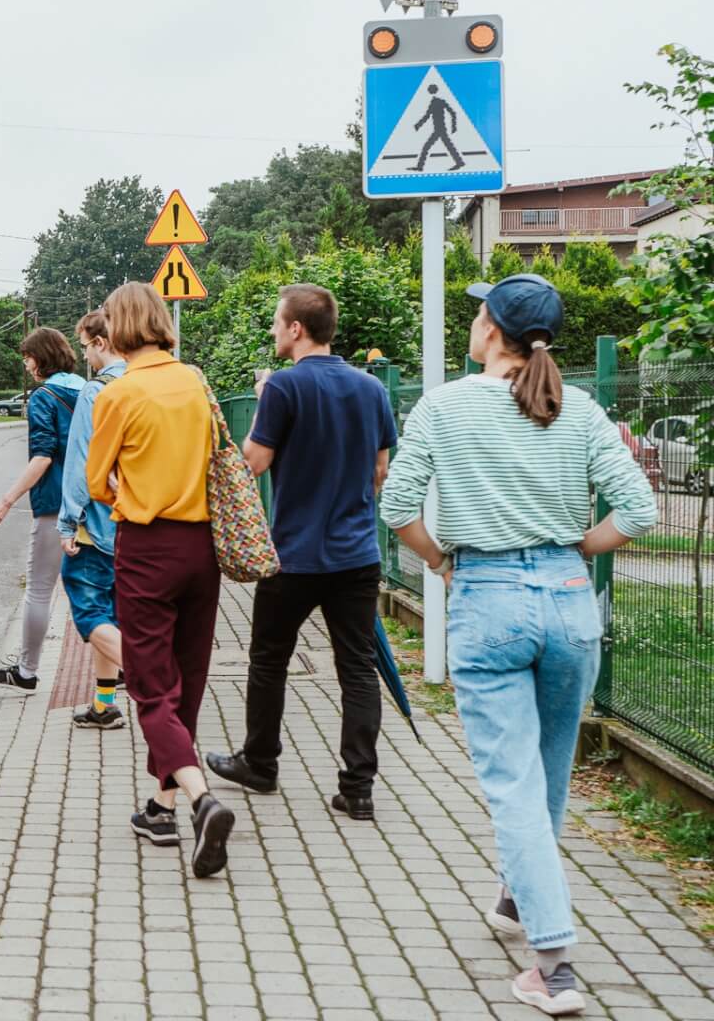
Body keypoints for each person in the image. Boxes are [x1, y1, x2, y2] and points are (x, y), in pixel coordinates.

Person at [382, 274, 654, 1017]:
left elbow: (397, 505)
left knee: (513, 790)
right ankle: (515, 897)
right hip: (570, 604)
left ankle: (553, 967)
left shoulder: (444, 405)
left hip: (488, 601)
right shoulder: (580, 408)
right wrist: (575, 549)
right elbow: (640, 509)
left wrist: (440, 563)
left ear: (492, 331)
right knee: (547, 776)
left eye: (477, 312)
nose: (472, 320)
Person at [206, 284, 398, 820]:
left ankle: (260, 765)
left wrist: (265, 401)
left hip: (292, 555)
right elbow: (380, 470)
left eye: (276, 322)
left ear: (296, 329)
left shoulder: (285, 390)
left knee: (269, 661)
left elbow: (254, 463)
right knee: (357, 669)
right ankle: (358, 788)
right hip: (356, 555)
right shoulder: (371, 389)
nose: (273, 331)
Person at [85, 282, 235, 879]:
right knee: (186, 682)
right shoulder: (195, 381)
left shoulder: (119, 394)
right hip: (203, 546)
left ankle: (201, 799)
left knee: (150, 686)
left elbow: (98, 481)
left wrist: (128, 486)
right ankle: (161, 807)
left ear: (118, 328)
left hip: (147, 548)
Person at [0, 327, 85, 691]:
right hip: (95, 500)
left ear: (41, 357)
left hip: (55, 504)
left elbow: (43, 456)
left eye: (27, 357)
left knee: (40, 588)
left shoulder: (44, 397)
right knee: (98, 587)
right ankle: (114, 666)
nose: (25, 365)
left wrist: (6, 500)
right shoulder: (89, 389)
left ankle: (26, 670)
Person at [57, 310, 128, 730]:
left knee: (88, 612)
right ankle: (104, 704)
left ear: (101, 342)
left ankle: (154, 676)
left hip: (96, 523)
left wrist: (67, 522)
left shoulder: (96, 391)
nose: (84, 354)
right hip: (137, 523)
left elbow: (82, 464)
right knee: (111, 616)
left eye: (84, 345)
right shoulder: (146, 384)